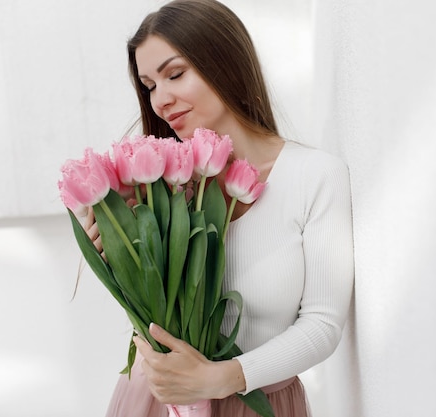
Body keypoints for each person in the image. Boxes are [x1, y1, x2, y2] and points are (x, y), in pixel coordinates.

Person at [89, 0, 355, 415]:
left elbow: (323, 324)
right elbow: (159, 312)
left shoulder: (316, 176)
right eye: (149, 86)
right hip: (159, 403)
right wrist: (119, 249)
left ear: (226, 63)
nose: (160, 100)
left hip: (258, 403)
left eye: (175, 74)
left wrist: (223, 376)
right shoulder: (161, 186)